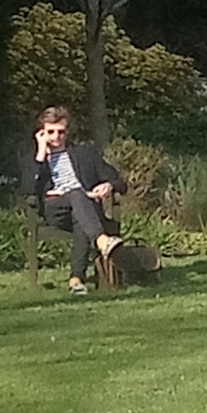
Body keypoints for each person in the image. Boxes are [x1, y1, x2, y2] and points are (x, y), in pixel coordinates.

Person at [31, 106, 127, 295]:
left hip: (85, 211)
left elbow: (119, 181)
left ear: (67, 132)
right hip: (56, 210)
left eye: (61, 132)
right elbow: (28, 189)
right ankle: (102, 240)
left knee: (81, 217)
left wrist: (109, 185)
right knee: (77, 194)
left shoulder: (85, 154)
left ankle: (76, 281)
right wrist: (41, 152)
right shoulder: (35, 159)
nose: (56, 137)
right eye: (50, 132)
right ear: (42, 132)